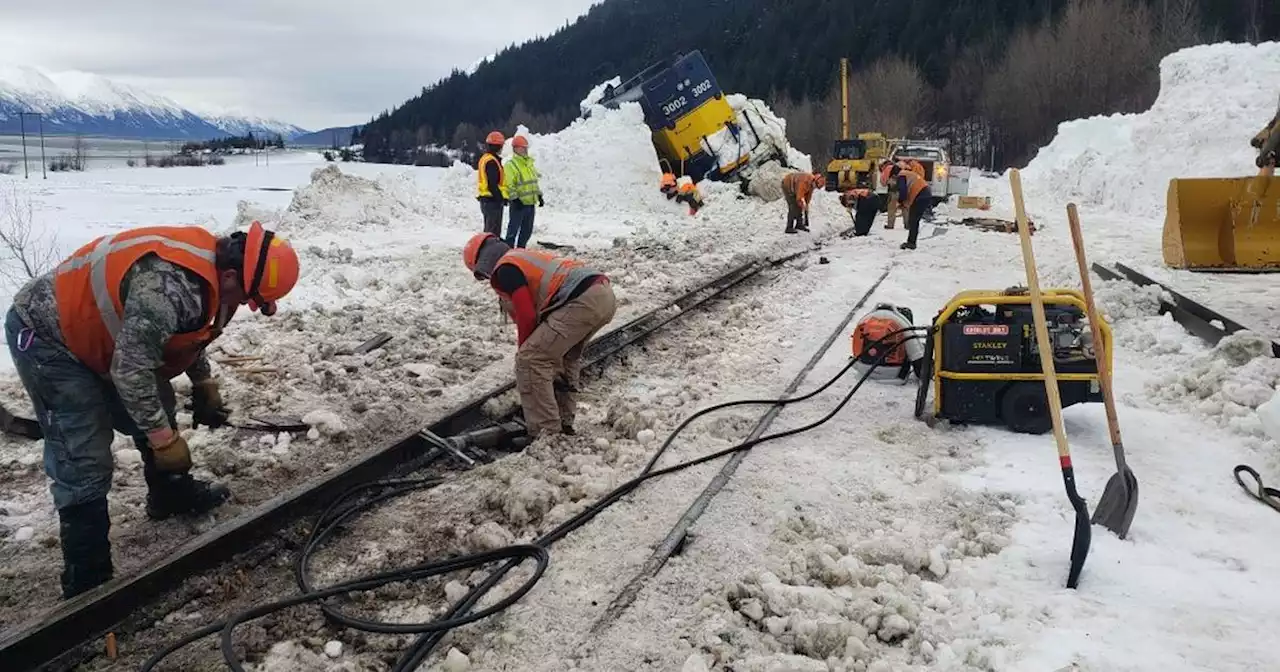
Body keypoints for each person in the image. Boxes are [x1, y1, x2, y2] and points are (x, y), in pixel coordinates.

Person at [5, 221, 300, 598]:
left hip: (106, 335)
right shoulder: (169, 287)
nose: (246, 305)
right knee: (83, 449)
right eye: (247, 297)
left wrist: (202, 382)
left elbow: (189, 331)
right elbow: (130, 369)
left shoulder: (215, 278)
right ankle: (87, 578)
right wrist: (163, 441)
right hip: (49, 336)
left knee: (157, 402)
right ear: (230, 275)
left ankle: (168, 494)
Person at [462, 233, 616, 438]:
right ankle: (564, 423)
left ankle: (547, 435)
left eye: (481, 275)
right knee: (562, 358)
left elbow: (526, 314)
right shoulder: (520, 257)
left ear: (482, 263)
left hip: (580, 300)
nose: (486, 278)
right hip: (602, 295)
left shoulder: (505, 269)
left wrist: (525, 351)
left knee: (531, 359)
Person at [850, 303, 925, 381]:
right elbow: (917, 357)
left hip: (863, 368)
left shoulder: (865, 320)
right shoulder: (901, 323)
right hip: (892, 372)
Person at [503, 135, 544, 249]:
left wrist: (539, 195)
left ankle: (521, 250)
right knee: (513, 231)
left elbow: (533, 182)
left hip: (530, 204)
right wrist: (515, 199)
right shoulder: (511, 165)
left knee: (527, 231)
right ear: (515, 148)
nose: (525, 150)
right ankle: (508, 252)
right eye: (523, 148)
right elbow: (509, 185)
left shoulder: (529, 164)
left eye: (526, 147)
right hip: (519, 204)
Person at [477, 130, 509, 236]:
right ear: (498, 146)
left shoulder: (485, 159)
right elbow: (492, 184)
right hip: (492, 201)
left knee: (490, 231)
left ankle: (489, 250)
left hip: (487, 200)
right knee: (492, 232)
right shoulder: (491, 162)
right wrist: (500, 199)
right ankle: (489, 251)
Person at [896, 168, 933, 250]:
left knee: (913, 220)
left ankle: (911, 243)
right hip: (924, 193)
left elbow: (903, 192)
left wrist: (900, 201)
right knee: (913, 220)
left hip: (921, 195)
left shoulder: (901, 176)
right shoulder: (905, 174)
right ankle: (911, 241)